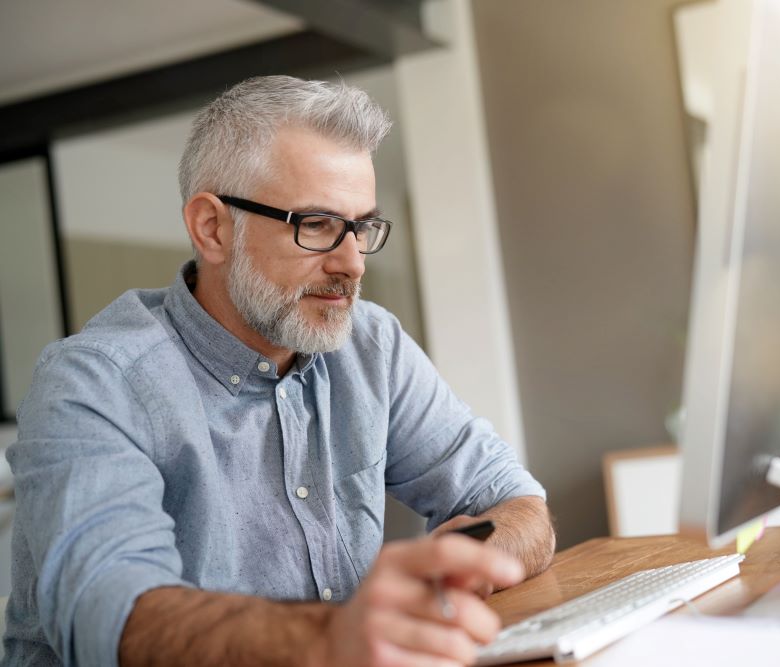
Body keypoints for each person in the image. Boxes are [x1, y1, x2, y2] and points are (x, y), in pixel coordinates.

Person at [3, 76, 555, 667]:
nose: (351, 264)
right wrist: (328, 636)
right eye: (315, 225)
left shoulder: (371, 344)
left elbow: (516, 501)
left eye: (361, 228)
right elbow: (107, 618)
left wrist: (462, 566)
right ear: (212, 228)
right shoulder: (94, 383)